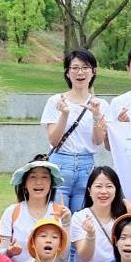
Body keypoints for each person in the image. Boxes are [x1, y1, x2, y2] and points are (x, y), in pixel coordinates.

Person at [41, 50, 108, 212]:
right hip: (60, 164)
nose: (80, 72)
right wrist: (64, 114)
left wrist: (96, 115)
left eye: (85, 67)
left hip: (86, 166)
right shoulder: (55, 101)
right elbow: (54, 141)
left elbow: (98, 141)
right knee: (58, 219)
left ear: (93, 72)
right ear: (67, 72)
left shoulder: (101, 104)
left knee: (81, 218)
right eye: (75, 68)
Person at [68, 165, 129, 262]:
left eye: (109, 186)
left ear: (116, 190)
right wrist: (91, 235)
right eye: (98, 186)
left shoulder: (123, 217)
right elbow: (85, 257)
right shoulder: (80, 217)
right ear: (89, 190)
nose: (103, 191)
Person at [0, 156, 62, 262]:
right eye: (33, 177)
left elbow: (64, 254)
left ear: (51, 183)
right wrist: (9, 252)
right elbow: (0, 251)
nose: (38, 182)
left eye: (44, 177)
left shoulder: (61, 213)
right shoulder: (12, 212)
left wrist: (66, 223)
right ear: (24, 184)